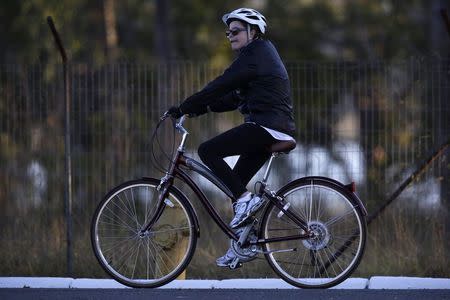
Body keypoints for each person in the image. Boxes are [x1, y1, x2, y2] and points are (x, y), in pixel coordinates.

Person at [167, 7, 296, 267]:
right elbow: (232, 97)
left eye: (236, 31)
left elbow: (221, 84)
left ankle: (246, 201)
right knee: (234, 184)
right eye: (228, 32)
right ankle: (243, 245)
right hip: (268, 126)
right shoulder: (258, 57)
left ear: (253, 32)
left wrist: (185, 106)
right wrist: (199, 109)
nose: (230, 36)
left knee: (208, 151)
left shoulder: (255, 54)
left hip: (268, 126)